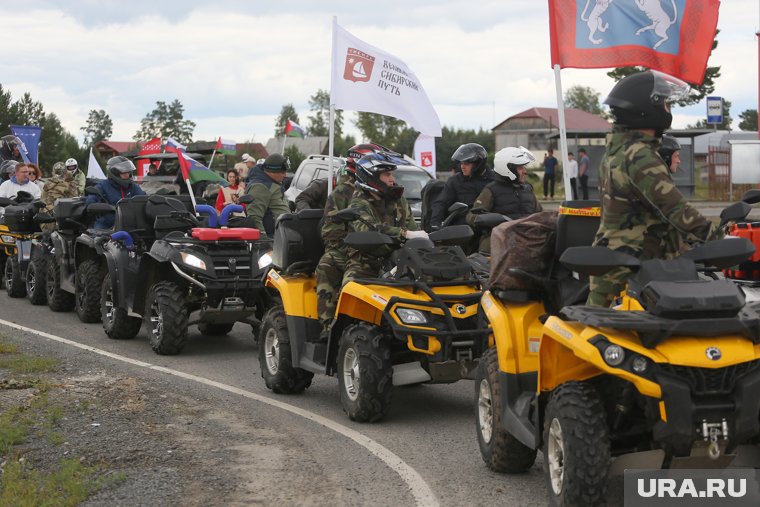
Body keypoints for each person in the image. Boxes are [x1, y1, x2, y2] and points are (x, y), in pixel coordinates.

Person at [587, 71, 718, 307]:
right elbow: (675, 209)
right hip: (633, 268)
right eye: (665, 103)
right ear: (647, 109)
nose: (668, 109)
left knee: (597, 333)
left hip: (615, 261)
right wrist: (718, 238)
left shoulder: (617, 151)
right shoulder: (639, 155)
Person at [315, 144, 394, 337]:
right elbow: (330, 230)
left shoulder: (388, 193)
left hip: (385, 246)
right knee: (326, 265)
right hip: (348, 247)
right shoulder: (342, 192)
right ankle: (330, 326)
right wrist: (352, 245)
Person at [343, 152, 424, 284]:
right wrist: (404, 234)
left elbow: (414, 230)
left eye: (392, 174)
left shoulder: (399, 200)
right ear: (372, 177)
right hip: (366, 263)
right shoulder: (358, 204)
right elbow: (369, 231)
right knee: (350, 286)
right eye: (387, 175)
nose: (392, 179)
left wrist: (421, 238)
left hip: (399, 259)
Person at [466, 146, 542, 254]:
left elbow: (540, 214)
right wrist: (491, 220)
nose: (525, 171)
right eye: (520, 168)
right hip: (499, 243)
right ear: (508, 169)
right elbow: (471, 216)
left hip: (527, 241)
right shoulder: (491, 190)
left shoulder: (527, 190)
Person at [430, 143, 494, 228]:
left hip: (487, 227)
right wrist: (435, 224)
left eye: (466, 163)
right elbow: (441, 203)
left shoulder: (493, 181)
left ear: (478, 164)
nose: (462, 167)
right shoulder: (455, 181)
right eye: (461, 163)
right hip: (463, 230)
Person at [86, 156, 146, 229]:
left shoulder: (132, 186)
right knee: (97, 237)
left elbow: (143, 198)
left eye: (128, 172)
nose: (127, 175)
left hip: (130, 222)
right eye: (124, 172)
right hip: (108, 225)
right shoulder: (102, 186)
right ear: (114, 172)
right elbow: (91, 201)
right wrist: (106, 207)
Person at [244, 153, 290, 238]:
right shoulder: (261, 187)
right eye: (282, 172)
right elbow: (254, 217)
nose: (285, 175)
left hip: (280, 236)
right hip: (272, 239)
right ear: (272, 172)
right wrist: (264, 241)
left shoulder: (271, 183)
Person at [40, 160, 80, 232]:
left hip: (50, 218)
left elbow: (42, 200)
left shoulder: (47, 184)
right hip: (61, 219)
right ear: (65, 173)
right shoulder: (71, 184)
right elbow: (74, 201)